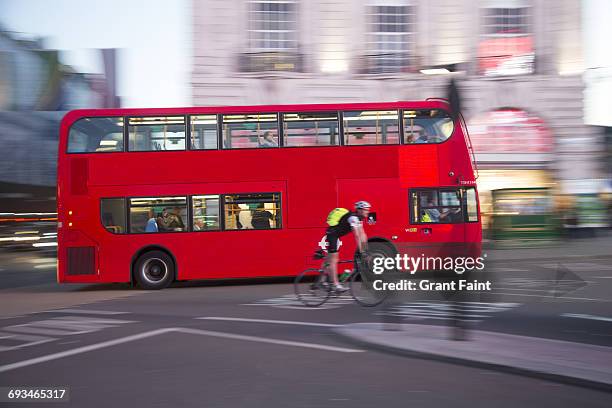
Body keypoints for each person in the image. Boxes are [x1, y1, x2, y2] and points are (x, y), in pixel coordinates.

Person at [325, 201, 371, 292]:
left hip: (337, 235)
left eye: (368, 210)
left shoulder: (359, 219)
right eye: (366, 210)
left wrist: (365, 250)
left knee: (329, 259)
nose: (367, 212)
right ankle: (335, 285)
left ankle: (323, 278)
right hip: (332, 234)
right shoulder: (353, 218)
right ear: (359, 210)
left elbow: (362, 234)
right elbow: (356, 235)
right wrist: (361, 251)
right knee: (334, 259)